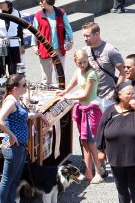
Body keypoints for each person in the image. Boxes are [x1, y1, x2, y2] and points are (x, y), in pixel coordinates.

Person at [97, 81, 135, 203]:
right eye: (129, 93)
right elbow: (101, 130)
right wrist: (101, 150)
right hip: (116, 157)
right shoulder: (110, 111)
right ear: (120, 95)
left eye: (134, 93)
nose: (133, 96)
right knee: (121, 188)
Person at [0, 75, 46, 203]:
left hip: (20, 146)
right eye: (24, 85)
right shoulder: (11, 102)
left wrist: (37, 114)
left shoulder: (16, 99)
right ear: (15, 88)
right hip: (13, 148)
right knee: (7, 181)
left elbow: (22, 115)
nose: (26, 87)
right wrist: (12, 136)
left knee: (15, 180)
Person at [56, 49, 104, 183]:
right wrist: (64, 92)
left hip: (91, 110)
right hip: (82, 109)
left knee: (92, 143)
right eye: (80, 62)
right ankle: (88, 172)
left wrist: (68, 96)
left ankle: (99, 172)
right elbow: (71, 85)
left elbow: (85, 95)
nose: (82, 64)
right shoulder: (78, 71)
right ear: (75, 62)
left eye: (84, 62)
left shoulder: (91, 74)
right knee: (84, 142)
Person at [33, 0, 74, 85]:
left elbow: (68, 29)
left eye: (41, 1)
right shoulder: (38, 15)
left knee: (60, 77)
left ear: (48, 0)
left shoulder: (61, 13)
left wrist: (71, 42)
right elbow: (34, 32)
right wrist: (34, 46)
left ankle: (60, 97)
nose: (40, 3)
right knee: (46, 79)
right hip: (44, 49)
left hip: (58, 49)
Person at [82, 22, 125, 111]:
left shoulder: (110, 51)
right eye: (84, 36)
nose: (85, 39)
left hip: (107, 97)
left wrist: (115, 91)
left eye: (87, 36)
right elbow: (79, 73)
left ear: (97, 34)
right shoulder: (85, 50)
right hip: (91, 97)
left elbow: (123, 72)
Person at [0, 0, 24, 76]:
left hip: (13, 44)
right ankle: (1, 86)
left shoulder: (16, 13)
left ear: (8, 3)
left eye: (2, 3)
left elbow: (20, 30)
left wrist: (22, 45)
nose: (0, 4)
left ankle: (12, 86)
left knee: (13, 68)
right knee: (0, 68)